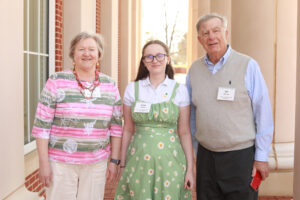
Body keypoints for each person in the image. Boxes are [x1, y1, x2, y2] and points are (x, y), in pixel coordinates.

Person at [186, 13, 274, 200]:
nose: (211, 37)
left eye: (216, 31)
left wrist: (261, 157)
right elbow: (192, 115)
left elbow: (262, 112)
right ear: (199, 39)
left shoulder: (248, 65)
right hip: (206, 158)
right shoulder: (194, 70)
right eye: (205, 33)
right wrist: (195, 152)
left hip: (240, 157)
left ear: (226, 33)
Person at [32, 32, 122, 200]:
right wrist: (43, 163)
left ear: (99, 55)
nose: (86, 53)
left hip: (96, 163)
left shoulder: (110, 85)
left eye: (91, 49)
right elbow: (41, 126)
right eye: (81, 49)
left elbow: (116, 127)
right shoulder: (56, 81)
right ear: (73, 54)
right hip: (60, 163)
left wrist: (114, 161)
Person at [114, 40, 194, 200]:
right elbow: (128, 129)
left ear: (168, 59)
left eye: (159, 55)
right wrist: (122, 165)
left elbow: (184, 132)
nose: (155, 60)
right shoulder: (133, 89)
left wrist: (190, 170)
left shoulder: (179, 90)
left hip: (171, 162)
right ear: (144, 61)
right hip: (138, 162)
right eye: (149, 57)